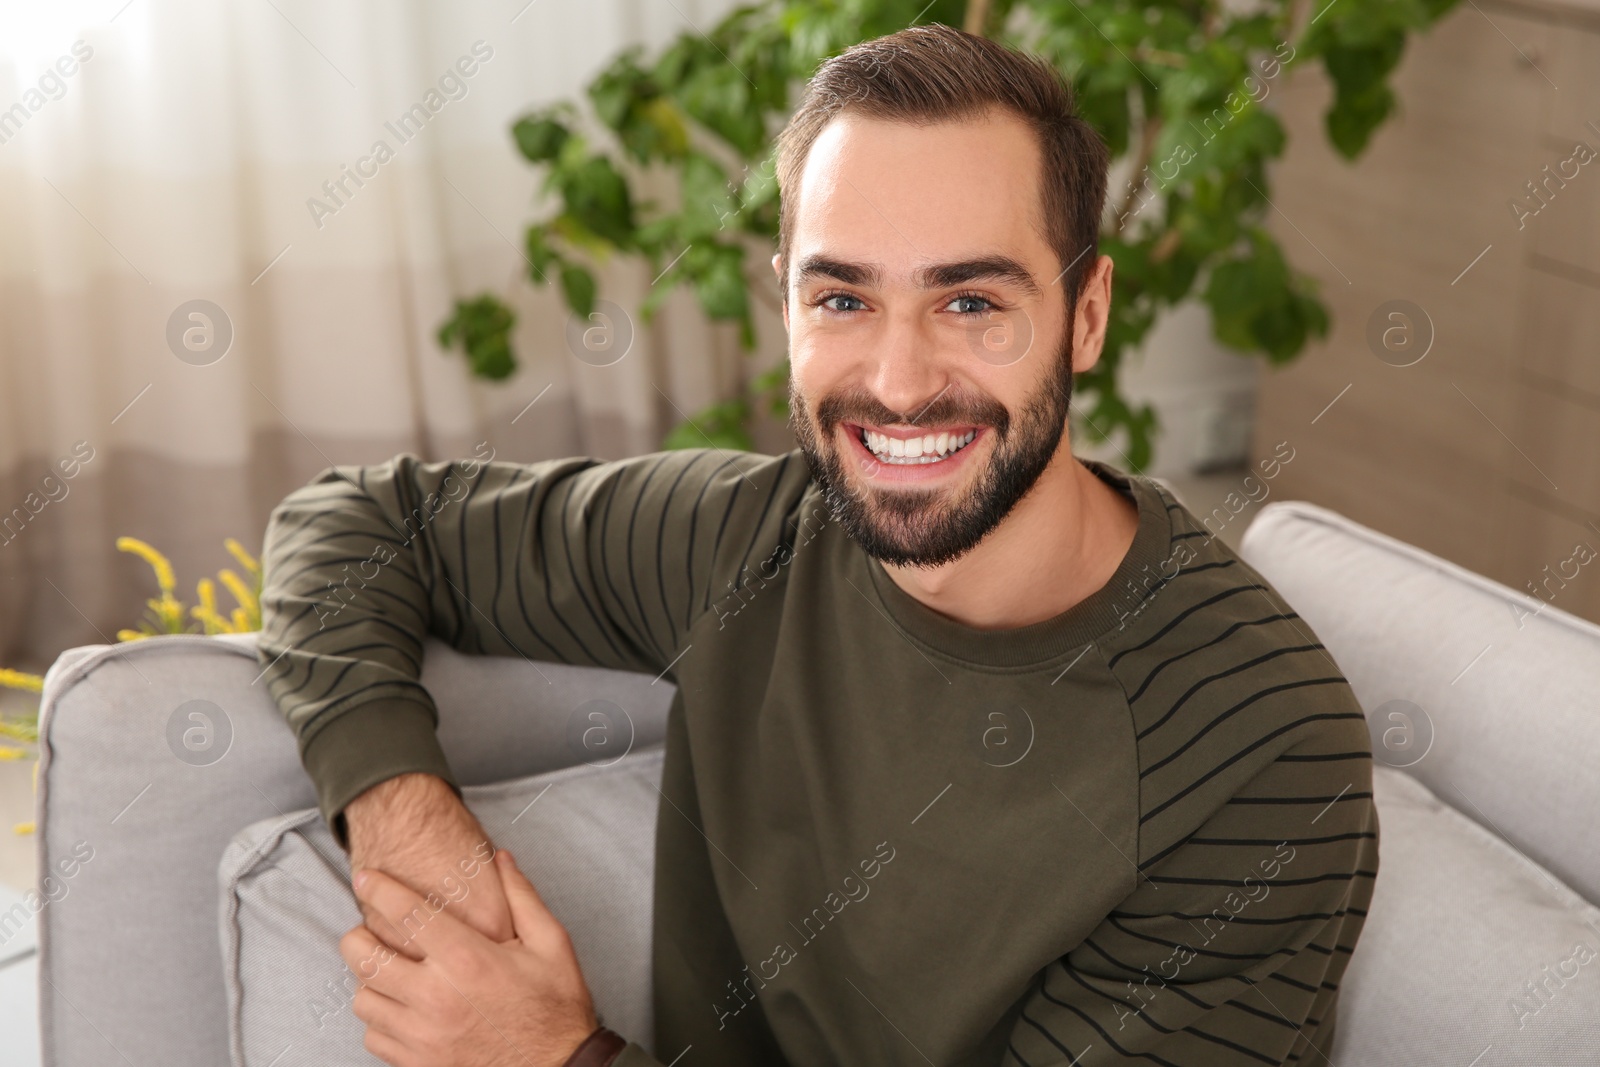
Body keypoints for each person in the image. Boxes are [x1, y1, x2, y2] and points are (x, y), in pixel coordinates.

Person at [257, 23, 1376, 1067]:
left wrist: (557, 1053)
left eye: (972, 302)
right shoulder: (742, 538)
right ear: (783, 309)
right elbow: (352, 523)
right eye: (841, 299)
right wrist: (403, 816)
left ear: (1086, 314)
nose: (896, 383)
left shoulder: (1259, 750)